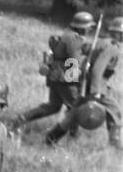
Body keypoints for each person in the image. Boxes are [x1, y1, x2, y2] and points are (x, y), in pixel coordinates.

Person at [16, 11, 94, 143]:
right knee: (76, 107)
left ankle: (21, 119)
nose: (90, 29)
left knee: (53, 106)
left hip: (55, 77)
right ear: (81, 27)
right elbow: (73, 60)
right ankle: (71, 137)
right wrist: (81, 71)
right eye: (88, 27)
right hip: (66, 79)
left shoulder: (67, 35)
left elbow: (69, 53)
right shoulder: (73, 39)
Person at [84, 14, 122, 149]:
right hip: (97, 84)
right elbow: (97, 69)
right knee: (115, 111)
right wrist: (96, 91)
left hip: (89, 81)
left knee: (76, 111)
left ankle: (53, 136)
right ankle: (115, 146)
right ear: (118, 33)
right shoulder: (111, 47)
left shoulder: (102, 41)